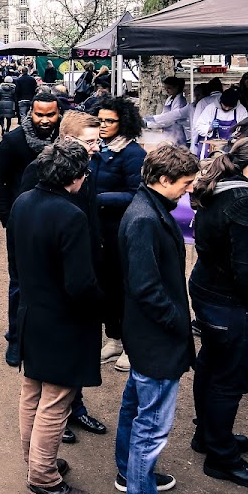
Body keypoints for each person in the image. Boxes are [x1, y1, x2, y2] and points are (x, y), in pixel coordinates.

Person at [115, 144, 201, 494]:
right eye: (183, 185)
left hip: (147, 335)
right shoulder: (145, 219)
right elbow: (147, 287)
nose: (186, 192)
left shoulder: (146, 209)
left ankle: (126, 472)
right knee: (151, 423)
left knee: (135, 404)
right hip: (157, 337)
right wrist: (178, 325)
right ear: (162, 180)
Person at [189, 137, 248, 490]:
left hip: (211, 293)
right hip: (231, 303)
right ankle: (221, 457)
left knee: (211, 365)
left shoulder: (220, 189)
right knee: (228, 378)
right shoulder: (245, 201)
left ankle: (209, 435)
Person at [11, 140, 100, 494]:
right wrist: (103, 306)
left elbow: (14, 265)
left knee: (32, 391)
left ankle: (35, 461)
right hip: (64, 319)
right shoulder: (71, 216)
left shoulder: (22, 202)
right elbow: (80, 284)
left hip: (31, 311)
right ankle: (44, 477)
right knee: (57, 399)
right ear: (75, 177)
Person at [0, 92, 63, 365]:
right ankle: (16, 338)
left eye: (50, 114)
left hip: (59, 225)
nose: (45, 120)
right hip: (23, 226)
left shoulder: (65, 140)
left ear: (58, 113)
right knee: (20, 284)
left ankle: (47, 334)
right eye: (39, 114)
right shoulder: (14, 140)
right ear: (30, 112)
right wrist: (8, 219)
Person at [93, 96, 147, 373]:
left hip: (121, 231)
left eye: (109, 121)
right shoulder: (97, 148)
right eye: (100, 120)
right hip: (98, 230)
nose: (103, 125)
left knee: (126, 288)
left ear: (123, 122)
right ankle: (113, 339)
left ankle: (130, 345)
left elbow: (137, 192)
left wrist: (99, 197)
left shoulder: (133, 153)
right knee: (106, 287)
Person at [190, 87, 248, 158]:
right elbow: (199, 127)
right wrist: (210, 128)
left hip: (231, 147)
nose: (227, 108)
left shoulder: (241, 110)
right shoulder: (211, 108)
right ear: (221, 101)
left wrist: (237, 135)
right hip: (211, 147)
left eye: (230, 107)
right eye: (225, 105)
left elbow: (246, 129)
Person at [148, 77, 189, 147]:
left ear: (176, 87)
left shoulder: (180, 101)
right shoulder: (170, 99)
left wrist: (155, 121)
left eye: (169, 88)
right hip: (168, 131)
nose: (167, 90)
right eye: (165, 88)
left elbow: (172, 118)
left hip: (177, 131)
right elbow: (164, 114)